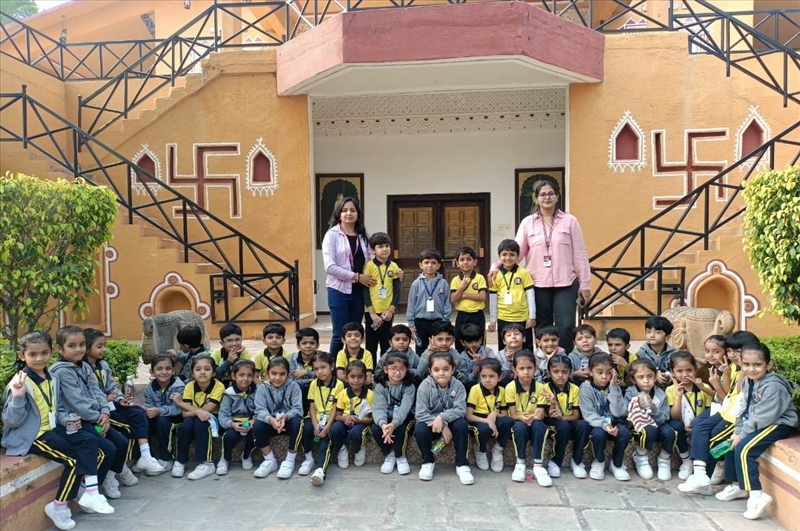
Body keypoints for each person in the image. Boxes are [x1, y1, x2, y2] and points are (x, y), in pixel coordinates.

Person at [2, 331, 114, 529]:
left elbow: (57, 408)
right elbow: (11, 421)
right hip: (34, 436)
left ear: (52, 352)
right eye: (33, 354)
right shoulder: (19, 383)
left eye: (44, 353)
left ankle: (91, 492)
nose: (39, 358)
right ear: (22, 355)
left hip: (54, 429)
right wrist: (18, 397)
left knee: (90, 442)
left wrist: (67, 419)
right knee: (73, 460)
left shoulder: (52, 378)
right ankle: (59, 506)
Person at [714, 342, 799, 520]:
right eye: (746, 364)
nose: (751, 369)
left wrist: (742, 435)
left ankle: (756, 496)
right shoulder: (747, 381)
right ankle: (737, 485)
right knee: (732, 443)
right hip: (757, 422)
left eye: (757, 365)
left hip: (778, 423)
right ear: (741, 364)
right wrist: (737, 431)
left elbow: (763, 417)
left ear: (769, 365)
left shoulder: (773, 386)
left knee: (745, 449)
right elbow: (742, 409)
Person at [50, 326, 129, 500]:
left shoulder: (85, 366)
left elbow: (97, 391)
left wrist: (105, 412)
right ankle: (87, 489)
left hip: (97, 419)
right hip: (78, 422)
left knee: (121, 442)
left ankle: (107, 477)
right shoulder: (61, 371)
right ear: (60, 349)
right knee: (107, 448)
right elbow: (77, 402)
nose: (78, 349)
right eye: (72, 346)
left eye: (82, 344)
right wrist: (97, 418)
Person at [512, 180, 590, 352]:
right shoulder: (527, 223)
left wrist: (585, 284)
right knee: (542, 328)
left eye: (550, 193)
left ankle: (565, 361)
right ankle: (544, 363)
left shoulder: (570, 221)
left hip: (566, 282)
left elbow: (579, 253)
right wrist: (498, 267)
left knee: (566, 326)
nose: (547, 197)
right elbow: (517, 252)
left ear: (557, 196)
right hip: (537, 282)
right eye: (542, 194)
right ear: (536, 198)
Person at [678, 330, 757, 494]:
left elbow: (734, 392)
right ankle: (701, 475)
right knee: (700, 426)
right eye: (730, 351)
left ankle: (709, 476)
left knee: (714, 439)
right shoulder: (733, 367)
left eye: (737, 351)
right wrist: (724, 375)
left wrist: (723, 379)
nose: (733, 355)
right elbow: (729, 394)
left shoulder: (747, 370)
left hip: (734, 417)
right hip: (726, 411)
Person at [83, 329, 166, 477]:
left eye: (104, 345)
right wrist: (104, 399)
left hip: (111, 405)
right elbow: (87, 395)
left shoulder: (103, 365)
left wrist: (120, 399)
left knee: (139, 412)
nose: (104, 349)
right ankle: (121, 468)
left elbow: (112, 387)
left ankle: (145, 456)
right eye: (99, 346)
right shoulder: (83, 369)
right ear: (88, 348)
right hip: (98, 412)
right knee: (127, 427)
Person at [322, 196, 375, 357]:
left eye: (352, 210)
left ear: (358, 213)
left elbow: (372, 261)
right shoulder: (332, 235)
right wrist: (356, 277)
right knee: (340, 333)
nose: (348, 213)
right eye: (344, 210)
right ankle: (333, 368)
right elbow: (330, 267)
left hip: (359, 291)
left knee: (355, 333)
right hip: (338, 290)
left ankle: (353, 367)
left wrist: (392, 270)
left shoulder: (363, 237)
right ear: (338, 214)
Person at [414, 352, 473, 485]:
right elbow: (421, 413)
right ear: (430, 371)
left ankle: (462, 464)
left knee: (462, 425)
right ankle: (428, 461)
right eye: (436, 370)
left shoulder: (458, 385)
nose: (441, 373)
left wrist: (443, 418)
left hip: (452, 420)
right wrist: (442, 425)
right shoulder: (424, 386)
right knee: (420, 429)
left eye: (446, 369)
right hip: (431, 422)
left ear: (453, 370)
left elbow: (460, 409)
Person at [534, 354, 591, 482]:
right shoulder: (544, 388)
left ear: (570, 373)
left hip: (568, 419)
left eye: (564, 372)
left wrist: (563, 417)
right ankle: (555, 462)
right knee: (563, 427)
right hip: (552, 422)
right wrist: (553, 404)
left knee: (584, 425)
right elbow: (547, 414)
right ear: (549, 373)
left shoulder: (574, 389)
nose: (560, 375)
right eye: (556, 372)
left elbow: (576, 415)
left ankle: (577, 461)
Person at [578, 353, 631, 481]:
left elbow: (618, 412)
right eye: (599, 372)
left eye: (608, 372)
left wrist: (613, 387)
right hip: (597, 423)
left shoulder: (615, 386)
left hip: (614, 422)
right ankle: (599, 461)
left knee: (624, 433)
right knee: (598, 435)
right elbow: (589, 414)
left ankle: (616, 464)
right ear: (591, 372)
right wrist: (604, 424)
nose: (604, 376)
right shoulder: (585, 388)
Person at [172, 354, 225, 481]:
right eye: (198, 369)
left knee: (202, 423)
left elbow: (207, 411)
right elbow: (184, 414)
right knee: (186, 425)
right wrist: (196, 411)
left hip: (214, 418)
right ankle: (180, 460)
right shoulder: (190, 386)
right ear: (192, 373)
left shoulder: (218, 386)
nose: (202, 372)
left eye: (207, 369)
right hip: (194, 416)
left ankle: (207, 463)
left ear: (213, 373)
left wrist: (180, 403)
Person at [624, 359, 677, 481]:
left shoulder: (660, 394)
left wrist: (653, 407)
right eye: (641, 377)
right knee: (650, 430)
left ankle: (664, 458)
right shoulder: (630, 393)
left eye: (650, 376)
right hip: (638, 425)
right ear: (633, 379)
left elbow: (664, 418)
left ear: (655, 377)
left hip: (657, 423)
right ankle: (640, 455)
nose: (646, 381)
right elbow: (628, 415)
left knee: (670, 433)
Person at [253, 356, 305, 479]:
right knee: (258, 425)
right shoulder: (262, 388)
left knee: (298, 423)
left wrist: (286, 416)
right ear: (267, 373)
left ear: (288, 374)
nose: (277, 378)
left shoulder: (294, 386)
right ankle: (269, 460)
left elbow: (298, 409)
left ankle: (290, 460)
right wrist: (270, 420)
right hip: (271, 421)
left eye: (282, 374)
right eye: (274, 373)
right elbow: (259, 410)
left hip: (287, 421)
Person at [301, 352, 345, 486]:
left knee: (325, 440)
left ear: (332, 367)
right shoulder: (314, 384)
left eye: (323, 367)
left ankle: (320, 470)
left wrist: (327, 426)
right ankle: (308, 458)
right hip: (315, 418)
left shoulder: (339, 385)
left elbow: (335, 408)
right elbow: (312, 406)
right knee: (305, 428)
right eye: (316, 369)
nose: (319, 372)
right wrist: (315, 425)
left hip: (331, 419)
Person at [666, 351, 711, 480]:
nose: (685, 374)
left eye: (689, 370)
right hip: (682, 424)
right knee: (675, 426)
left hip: (699, 425)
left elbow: (709, 412)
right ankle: (686, 461)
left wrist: (697, 426)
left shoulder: (704, 388)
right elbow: (674, 416)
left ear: (695, 370)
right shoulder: (670, 390)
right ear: (672, 372)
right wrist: (679, 396)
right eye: (679, 371)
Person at [371, 352, 416, 475]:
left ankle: (400, 456)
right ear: (386, 369)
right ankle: (389, 454)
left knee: (402, 429)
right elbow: (379, 408)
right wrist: (383, 425)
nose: (397, 372)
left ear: (407, 370)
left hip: (404, 418)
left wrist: (394, 424)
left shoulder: (409, 387)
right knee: (375, 428)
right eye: (393, 368)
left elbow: (404, 409)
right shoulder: (380, 387)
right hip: (386, 418)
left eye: (402, 369)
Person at [466, 358, 513, 474]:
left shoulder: (502, 390)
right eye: (483, 376)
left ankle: (497, 449)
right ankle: (480, 450)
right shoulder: (475, 389)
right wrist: (488, 421)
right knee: (484, 429)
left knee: (508, 421)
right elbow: (469, 416)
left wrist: (494, 414)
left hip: (494, 417)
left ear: (499, 377)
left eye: (491, 376)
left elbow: (504, 415)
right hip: (478, 419)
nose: (487, 380)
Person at [488, 239, 535, 351]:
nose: (508, 258)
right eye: (504, 254)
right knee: (504, 349)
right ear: (499, 256)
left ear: (518, 256)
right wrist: (493, 320)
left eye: (512, 255)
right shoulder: (495, 275)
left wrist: (532, 317)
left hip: (522, 318)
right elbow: (493, 299)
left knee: (526, 348)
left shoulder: (523, 273)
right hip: (503, 318)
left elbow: (530, 296)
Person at [363, 232, 402, 360]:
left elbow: (397, 291)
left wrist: (391, 310)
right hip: (372, 313)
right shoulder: (369, 266)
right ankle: (371, 370)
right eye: (380, 246)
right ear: (373, 250)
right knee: (371, 345)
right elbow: (365, 291)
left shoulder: (394, 266)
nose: (385, 249)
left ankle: (385, 369)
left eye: (387, 246)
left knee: (386, 344)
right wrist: (372, 313)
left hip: (387, 313)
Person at [143, 354, 185, 471]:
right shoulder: (150, 387)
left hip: (176, 419)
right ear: (152, 372)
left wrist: (159, 411)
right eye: (159, 369)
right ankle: (146, 457)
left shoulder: (179, 386)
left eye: (168, 368)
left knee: (162, 421)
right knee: (142, 420)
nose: (164, 372)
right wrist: (148, 411)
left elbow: (178, 408)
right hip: (157, 417)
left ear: (173, 370)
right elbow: (148, 404)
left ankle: (166, 458)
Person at [505, 350, 541, 482]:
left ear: (535, 368)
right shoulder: (510, 387)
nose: (526, 372)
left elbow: (541, 412)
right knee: (519, 428)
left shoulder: (541, 387)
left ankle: (538, 465)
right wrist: (522, 417)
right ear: (514, 370)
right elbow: (513, 414)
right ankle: (520, 463)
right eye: (521, 368)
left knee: (539, 425)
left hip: (534, 421)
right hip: (518, 420)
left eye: (530, 368)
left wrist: (537, 416)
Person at [406, 248, 451, 354]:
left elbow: (447, 303)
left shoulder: (443, 283)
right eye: (426, 262)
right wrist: (411, 325)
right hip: (420, 322)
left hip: (438, 321)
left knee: (439, 349)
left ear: (438, 266)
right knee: (421, 349)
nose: (430, 265)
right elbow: (411, 304)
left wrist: (445, 320)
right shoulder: (416, 284)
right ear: (421, 265)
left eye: (433, 263)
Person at [331, 361, 374, 470]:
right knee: (335, 428)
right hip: (346, 422)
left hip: (361, 424)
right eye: (352, 377)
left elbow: (371, 419)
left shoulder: (370, 395)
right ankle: (341, 450)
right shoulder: (343, 394)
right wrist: (345, 418)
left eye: (360, 377)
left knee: (356, 432)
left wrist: (359, 421)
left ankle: (359, 450)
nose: (356, 380)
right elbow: (337, 416)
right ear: (346, 378)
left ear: (365, 378)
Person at [217, 359, 257, 476]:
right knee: (229, 437)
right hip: (234, 424)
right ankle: (225, 459)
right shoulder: (228, 394)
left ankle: (246, 455)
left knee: (257, 434)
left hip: (251, 422)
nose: (245, 378)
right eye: (241, 375)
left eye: (249, 375)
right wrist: (231, 424)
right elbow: (223, 415)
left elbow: (261, 410)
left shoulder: (257, 392)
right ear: (233, 376)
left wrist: (253, 421)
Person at [449, 246, 487, 353]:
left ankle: (479, 361)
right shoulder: (456, 280)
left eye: (469, 259)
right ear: (457, 263)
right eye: (462, 260)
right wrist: (461, 287)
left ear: (474, 262)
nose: (465, 262)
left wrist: (464, 295)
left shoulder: (479, 278)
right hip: (462, 316)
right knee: (460, 343)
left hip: (477, 315)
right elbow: (453, 299)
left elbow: (482, 297)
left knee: (478, 344)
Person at [416, 320, 473, 387]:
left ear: (453, 340)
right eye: (440, 339)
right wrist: (428, 355)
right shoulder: (427, 354)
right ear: (432, 339)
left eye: (448, 339)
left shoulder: (456, 356)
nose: (444, 343)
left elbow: (466, 379)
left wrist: (455, 372)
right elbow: (419, 374)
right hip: (430, 389)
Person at [636, 316, 677, 388]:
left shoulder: (674, 354)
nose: (652, 335)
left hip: (669, 387)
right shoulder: (641, 353)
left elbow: (678, 370)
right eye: (648, 331)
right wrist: (654, 374)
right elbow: (637, 371)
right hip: (647, 387)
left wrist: (672, 375)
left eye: (658, 332)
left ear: (667, 337)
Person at [289, 328, 322, 411]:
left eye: (312, 343)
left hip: (319, 389)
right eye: (304, 343)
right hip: (299, 391)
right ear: (298, 345)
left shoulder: (323, 357)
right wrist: (309, 381)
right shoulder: (293, 358)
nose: (308, 346)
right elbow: (291, 380)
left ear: (317, 345)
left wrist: (307, 372)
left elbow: (326, 375)